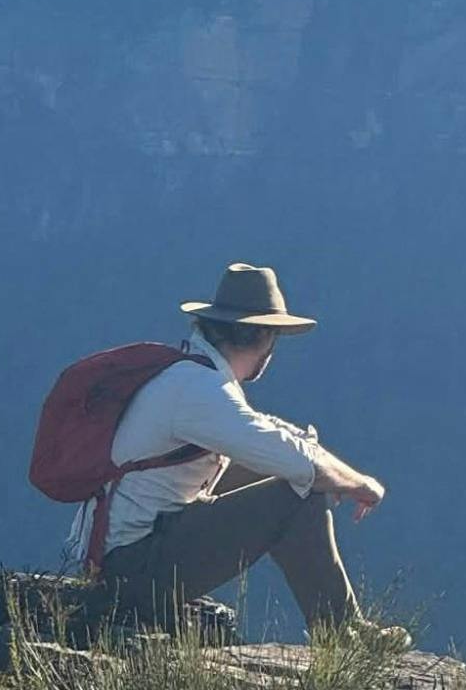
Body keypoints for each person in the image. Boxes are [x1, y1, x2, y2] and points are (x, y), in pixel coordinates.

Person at [63, 262, 408, 649]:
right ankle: (342, 631)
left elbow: (271, 438)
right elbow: (295, 460)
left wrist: (321, 468)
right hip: (133, 572)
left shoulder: (187, 375)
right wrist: (362, 485)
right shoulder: (201, 391)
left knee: (290, 479)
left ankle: (342, 628)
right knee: (300, 493)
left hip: (122, 559)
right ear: (263, 336)